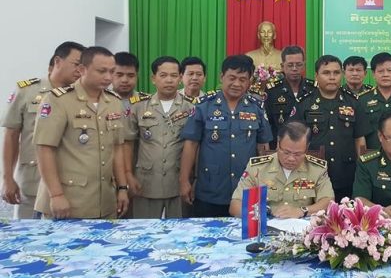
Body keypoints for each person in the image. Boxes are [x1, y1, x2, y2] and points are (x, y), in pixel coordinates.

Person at [33, 46, 130, 219]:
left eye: (111, 71)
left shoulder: (114, 102)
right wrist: (56, 195)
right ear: (82, 69)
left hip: (105, 201)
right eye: (102, 71)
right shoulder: (58, 100)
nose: (108, 77)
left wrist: (122, 188)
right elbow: (45, 149)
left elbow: (117, 148)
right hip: (69, 201)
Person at [179, 55, 272, 217]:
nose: (237, 84)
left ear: (249, 82)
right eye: (232, 78)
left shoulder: (256, 108)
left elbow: (263, 147)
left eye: (242, 79)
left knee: (246, 232)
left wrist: (265, 182)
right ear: (222, 77)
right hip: (210, 188)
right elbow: (191, 144)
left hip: (246, 188)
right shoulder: (204, 106)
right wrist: (184, 180)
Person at [2, 41, 85, 218]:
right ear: (58, 61)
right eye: (76, 64)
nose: (80, 70)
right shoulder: (27, 91)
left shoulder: (82, 96)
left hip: (71, 184)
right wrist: (7, 178)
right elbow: (11, 135)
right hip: (32, 181)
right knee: (27, 232)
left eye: (83, 66)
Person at [289, 55, 371, 201]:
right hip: (312, 175)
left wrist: (362, 170)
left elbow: (359, 139)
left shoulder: (353, 102)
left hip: (346, 175)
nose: (332, 77)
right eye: (326, 73)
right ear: (316, 76)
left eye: (336, 73)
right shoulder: (304, 103)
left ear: (342, 75)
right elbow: (293, 140)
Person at [123, 56, 195, 218]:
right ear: (153, 78)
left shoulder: (191, 107)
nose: (169, 80)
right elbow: (128, 143)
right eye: (163, 75)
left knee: (179, 229)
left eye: (174, 75)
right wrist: (128, 174)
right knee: (144, 229)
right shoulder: (138, 106)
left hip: (178, 182)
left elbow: (195, 146)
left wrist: (191, 180)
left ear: (180, 78)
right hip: (146, 182)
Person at [229, 121, 334, 218]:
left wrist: (302, 211)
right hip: (266, 225)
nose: (291, 158)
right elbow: (235, 205)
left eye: (298, 154)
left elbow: (328, 201)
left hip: (302, 228)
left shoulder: (316, 169)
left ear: (306, 148)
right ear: (278, 144)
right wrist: (262, 214)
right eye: (286, 152)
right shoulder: (257, 168)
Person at [265, 46, 316, 147]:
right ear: (282, 66)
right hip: (280, 146)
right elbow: (267, 123)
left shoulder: (314, 89)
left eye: (299, 65)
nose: (294, 69)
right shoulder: (272, 91)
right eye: (290, 65)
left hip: (309, 146)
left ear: (304, 66)